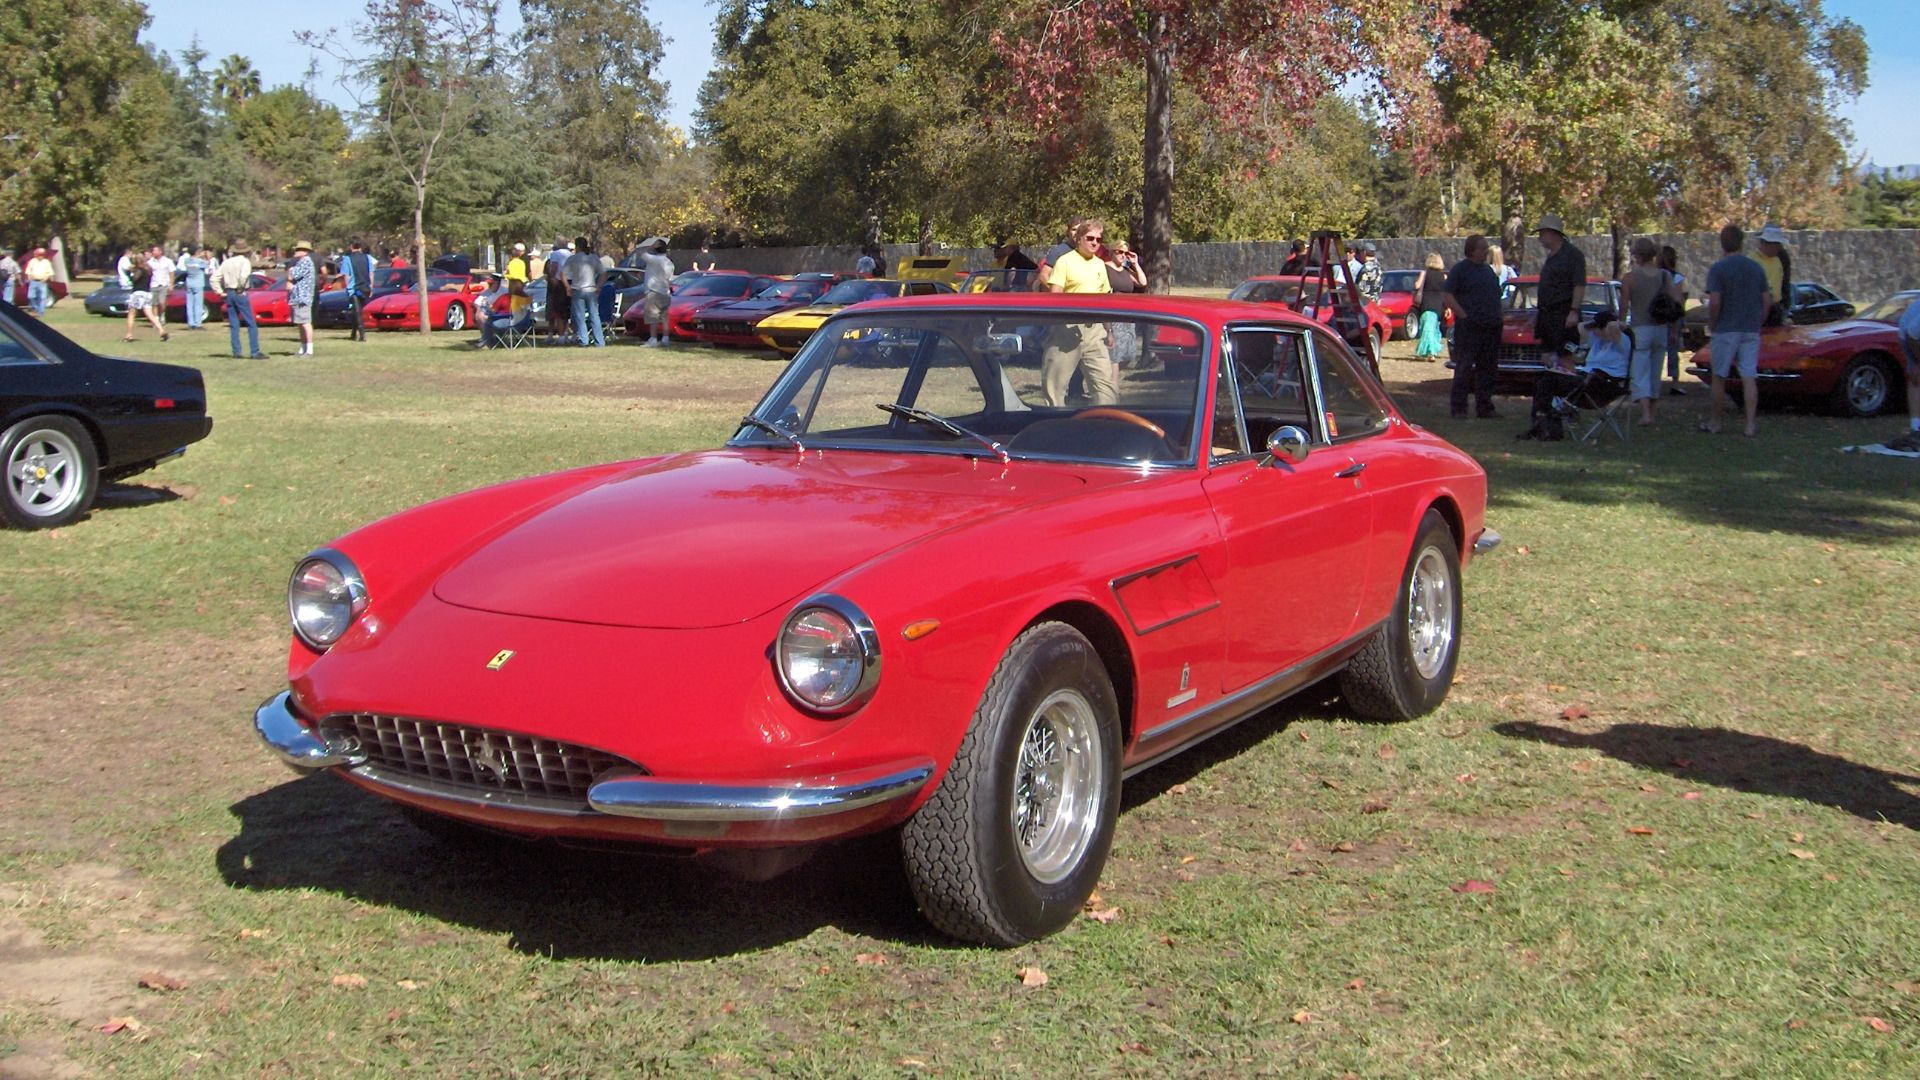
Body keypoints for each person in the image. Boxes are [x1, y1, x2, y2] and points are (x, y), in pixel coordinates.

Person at [1702, 223, 1771, 438]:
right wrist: (1759, 320)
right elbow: (1767, 300)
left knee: (1719, 375)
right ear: (1741, 242)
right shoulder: (1756, 268)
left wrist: (1713, 323)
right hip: (1750, 328)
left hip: (1726, 328)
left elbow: (1715, 301)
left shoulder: (1719, 269)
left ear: (1722, 243)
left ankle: (1716, 422)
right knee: (1749, 375)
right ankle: (1750, 424)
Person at [1041, 218, 1117, 406]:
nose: (1094, 243)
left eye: (1099, 240)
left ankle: (1108, 426)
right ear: (1079, 239)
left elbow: (1105, 299)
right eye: (1090, 238)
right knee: (1055, 388)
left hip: (1095, 330)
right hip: (1067, 329)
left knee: (1106, 388)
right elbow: (1055, 296)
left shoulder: (1100, 264)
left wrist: (1109, 330)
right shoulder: (1064, 262)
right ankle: (1053, 428)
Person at [1520, 311, 1631, 440]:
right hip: (1586, 381)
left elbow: (1612, 326)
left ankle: (1544, 426)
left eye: (1598, 329)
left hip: (1603, 385)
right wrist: (1595, 325)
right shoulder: (1598, 342)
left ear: (1606, 328)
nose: (1595, 332)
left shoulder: (1622, 340)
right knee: (1544, 379)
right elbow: (1581, 327)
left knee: (1548, 382)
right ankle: (1543, 423)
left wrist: (1619, 324)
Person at [1619, 236, 1682, 425]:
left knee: (1640, 371)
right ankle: (1651, 411)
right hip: (1661, 328)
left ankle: (1646, 413)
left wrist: (1620, 323)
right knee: (1656, 370)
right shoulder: (1665, 276)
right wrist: (1673, 330)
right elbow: (1675, 304)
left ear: (1637, 255)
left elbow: (1623, 306)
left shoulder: (1630, 278)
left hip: (1641, 328)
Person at [1444, 234, 1503, 419]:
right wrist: (1463, 315)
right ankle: (1459, 408)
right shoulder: (1460, 270)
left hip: (1491, 326)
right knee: (1464, 368)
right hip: (1470, 327)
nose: (1486, 251)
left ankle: (1485, 407)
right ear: (1472, 250)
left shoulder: (1488, 271)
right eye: (1482, 248)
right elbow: (1447, 295)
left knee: (1488, 369)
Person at [1533, 214, 1587, 371]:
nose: (1540, 238)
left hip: (1563, 314)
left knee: (1566, 357)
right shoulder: (1551, 257)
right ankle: (1554, 389)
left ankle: (1569, 390)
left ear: (1552, 233)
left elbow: (1579, 284)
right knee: (1547, 356)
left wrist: (1573, 311)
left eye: (1542, 233)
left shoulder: (1572, 255)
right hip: (1547, 316)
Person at [214, 240, 265, 359]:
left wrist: (220, 292)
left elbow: (214, 277)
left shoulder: (226, 262)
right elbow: (243, 276)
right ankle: (254, 351)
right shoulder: (245, 262)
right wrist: (241, 288)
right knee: (251, 323)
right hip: (239, 292)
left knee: (234, 323)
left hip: (229, 292)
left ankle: (236, 351)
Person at [1883, 297, 1920, 453]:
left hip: (1912, 330)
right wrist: (1918, 361)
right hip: (1910, 335)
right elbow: (1913, 333)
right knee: (1916, 377)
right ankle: (1917, 429)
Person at [563, 236, 605, 347]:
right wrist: (599, 286)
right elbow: (603, 273)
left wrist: (567, 287)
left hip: (578, 289)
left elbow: (563, 274)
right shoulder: (593, 258)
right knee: (594, 316)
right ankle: (599, 341)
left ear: (577, 246)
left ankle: (583, 340)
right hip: (591, 289)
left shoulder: (573, 259)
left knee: (580, 317)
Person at [1658, 245, 1687, 395]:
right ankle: (1675, 382)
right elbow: (1678, 301)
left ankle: (1653, 381)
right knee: (1673, 349)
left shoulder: (1654, 276)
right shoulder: (1676, 278)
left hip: (1657, 316)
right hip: (1671, 317)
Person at [1753, 223, 1793, 327]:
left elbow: (1785, 283)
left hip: (1776, 309)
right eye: (1777, 245)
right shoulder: (1752, 261)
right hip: (1758, 309)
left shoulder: (1779, 259)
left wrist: (1785, 308)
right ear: (1767, 244)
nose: (1779, 248)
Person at [122, 251, 167, 341]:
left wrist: (130, 274)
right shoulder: (148, 270)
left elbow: (134, 280)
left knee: (131, 314)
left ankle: (129, 334)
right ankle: (161, 330)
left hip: (138, 293)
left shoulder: (139, 270)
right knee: (150, 314)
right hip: (147, 293)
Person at [1412, 252, 1449, 360]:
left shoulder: (1425, 273)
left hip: (1427, 302)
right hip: (1438, 305)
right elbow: (1446, 293)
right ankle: (1430, 350)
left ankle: (1430, 352)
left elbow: (1417, 285)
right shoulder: (1444, 276)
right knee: (1433, 327)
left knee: (1426, 327)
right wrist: (1447, 308)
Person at [639, 238, 674, 346]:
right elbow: (670, 280)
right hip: (665, 292)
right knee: (665, 317)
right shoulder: (669, 263)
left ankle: (653, 339)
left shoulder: (654, 260)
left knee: (653, 316)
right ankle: (665, 338)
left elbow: (641, 253)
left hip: (654, 291)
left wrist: (651, 246)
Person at [339, 239, 374, 342]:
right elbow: (371, 273)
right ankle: (354, 333)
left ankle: (362, 335)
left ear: (351, 246)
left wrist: (347, 287)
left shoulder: (347, 259)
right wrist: (371, 287)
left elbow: (346, 275)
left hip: (354, 288)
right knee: (357, 310)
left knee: (357, 311)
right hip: (365, 287)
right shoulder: (368, 258)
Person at [286, 241, 317, 355]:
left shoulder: (306, 262)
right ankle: (303, 347)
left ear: (305, 252)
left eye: (298, 250)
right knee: (300, 323)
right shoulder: (300, 262)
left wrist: (290, 272)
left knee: (305, 322)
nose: (296, 252)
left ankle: (309, 349)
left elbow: (292, 275)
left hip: (303, 297)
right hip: (298, 296)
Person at [473, 272, 513, 348]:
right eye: (489, 284)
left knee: (485, 318)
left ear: (498, 283)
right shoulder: (486, 292)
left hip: (503, 316)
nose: (490, 285)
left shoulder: (505, 292)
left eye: (492, 283)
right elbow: (477, 303)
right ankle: (486, 339)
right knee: (480, 315)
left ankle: (487, 341)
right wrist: (478, 309)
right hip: (490, 314)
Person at [180, 247, 213, 329]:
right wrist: (206, 256)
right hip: (198, 284)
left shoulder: (187, 260)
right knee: (198, 304)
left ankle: (190, 323)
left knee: (190, 304)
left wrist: (199, 256)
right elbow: (207, 263)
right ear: (197, 252)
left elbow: (193, 260)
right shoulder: (200, 261)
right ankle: (197, 323)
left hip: (189, 283)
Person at [147, 245, 175, 329]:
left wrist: (171, 284)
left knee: (162, 302)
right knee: (154, 303)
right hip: (153, 284)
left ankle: (162, 315)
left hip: (163, 284)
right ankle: (156, 319)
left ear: (160, 252)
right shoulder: (150, 262)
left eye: (156, 251)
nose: (154, 253)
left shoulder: (167, 261)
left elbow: (171, 272)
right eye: (153, 251)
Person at [23, 247, 55, 316]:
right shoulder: (32, 261)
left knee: (42, 297)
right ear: (36, 255)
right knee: (31, 296)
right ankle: (36, 308)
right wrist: (29, 278)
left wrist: (49, 279)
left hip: (43, 282)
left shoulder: (46, 262)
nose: (41, 256)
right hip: (33, 282)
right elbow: (28, 271)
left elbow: (50, 272)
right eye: (40, 254)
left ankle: (41, 312)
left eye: (42, 254)